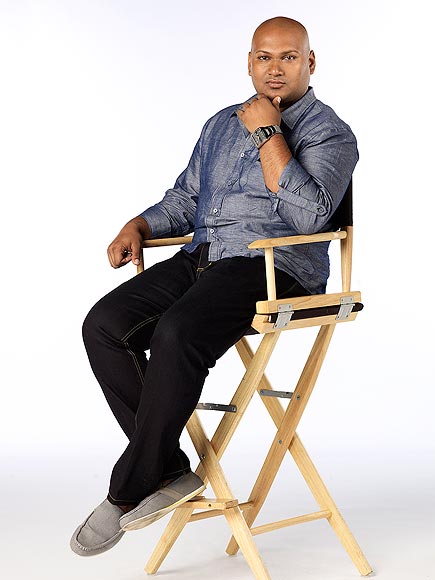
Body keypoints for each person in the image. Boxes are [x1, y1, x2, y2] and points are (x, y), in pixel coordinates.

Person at [70, 16, 358, 557]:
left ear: (310, 62)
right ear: (249, 62)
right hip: (203, 257)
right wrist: (140, 224)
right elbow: (186, 199)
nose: (275, 69)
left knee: (179, 331)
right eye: (264, 57)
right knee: (104, 325)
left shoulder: (331, 133)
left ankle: (128, 486)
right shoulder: (221, 124)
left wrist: (269, 134)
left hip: (275, 265)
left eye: (289, 57)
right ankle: (169, 468)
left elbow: (308, 217)